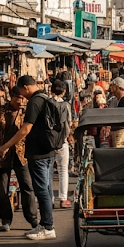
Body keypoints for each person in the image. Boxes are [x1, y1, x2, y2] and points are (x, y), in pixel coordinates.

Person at [0, 76, 59, 241]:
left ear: (25, 87)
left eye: (21, 92)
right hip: (48, 151)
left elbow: (25, 130)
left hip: (39, 153)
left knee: (41, 191)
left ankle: (47, 226)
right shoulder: (45, 97)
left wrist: (5, 146)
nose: (22, 97)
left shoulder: (34, 102)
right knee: (43, 189)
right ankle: (44, 224)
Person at [0, 92, 38, 232]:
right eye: (18, 98)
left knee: (27, 186)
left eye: (22, 98)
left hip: (21, 154)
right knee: (3, 190)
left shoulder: (26, 112)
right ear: (12, 97)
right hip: (1, 155)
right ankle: (6, 220)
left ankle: (32, 219)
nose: (20, 100)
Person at [50, 80, 75, 209]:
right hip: (62, 141)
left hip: (48, 142)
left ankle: (49, 200)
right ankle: (63, 199)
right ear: (64, 91)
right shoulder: (65, 105)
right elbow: (69, 123)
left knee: (48, 172)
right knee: (63, 170)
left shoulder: (46, 103)